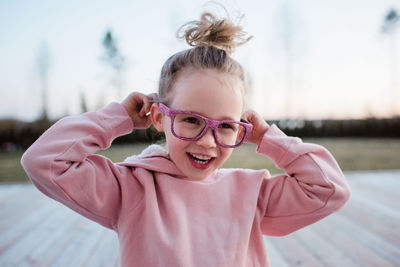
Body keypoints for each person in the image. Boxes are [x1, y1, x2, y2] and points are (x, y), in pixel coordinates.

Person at [21, 10, 351, 267]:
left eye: (226, 126)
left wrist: (268, 137)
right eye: (191, 120)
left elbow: (329, 189)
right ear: (160, 117)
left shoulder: (252, 194)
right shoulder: (131, 189)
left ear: (241, 128)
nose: (208, 142)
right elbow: (45, 161)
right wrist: (117, 118)